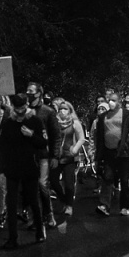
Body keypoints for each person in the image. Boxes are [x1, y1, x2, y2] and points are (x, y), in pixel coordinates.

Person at [0, 94, 48, 246]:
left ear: (27, 105)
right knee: (11, 203)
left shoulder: (35, 121)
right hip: (12, 168)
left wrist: (31, 135)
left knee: (33, 200)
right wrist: (0, 169)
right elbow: (2, 147)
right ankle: (13, 237)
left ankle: (40, 230)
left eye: (23, 108)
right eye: (17, 108)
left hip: (29, 166)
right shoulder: (7, 123)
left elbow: (43, 142)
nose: (20, 111)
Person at [93, 87, 129, 217]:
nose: (110, 102)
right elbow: (100, 137)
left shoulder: (126, 114)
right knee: (107, 178)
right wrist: (98, 155)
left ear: (119, 101)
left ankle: (124, 206)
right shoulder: (103, 117)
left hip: (122, 153)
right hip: (108, 152)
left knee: (124, 181)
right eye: (109, 100)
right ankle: (104, 205)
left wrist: (126, 142)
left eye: (113, 100)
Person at [24, 81, 61, 227]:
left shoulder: (48, 111)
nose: (29, 93)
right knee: (30, 187)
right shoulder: (24, 110)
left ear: (39, 93)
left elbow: (56, 135)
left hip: (43, 154)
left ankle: (48, 214)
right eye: (27, 91)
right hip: (28, 155)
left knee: (42, 184)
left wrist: (55, 155)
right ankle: (34, 217)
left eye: (31, 91)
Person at [49, 97, 84, 228]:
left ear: (70, 111)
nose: (62, 111)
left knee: (69, 183)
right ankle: (63, 199)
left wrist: (75, 149)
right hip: (57, 157)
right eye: (61, 109)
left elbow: (81, 138)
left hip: (70, 158)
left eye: (65, 109)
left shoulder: (74, 123)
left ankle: (69, 205)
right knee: (52, 180)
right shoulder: (54, 123)